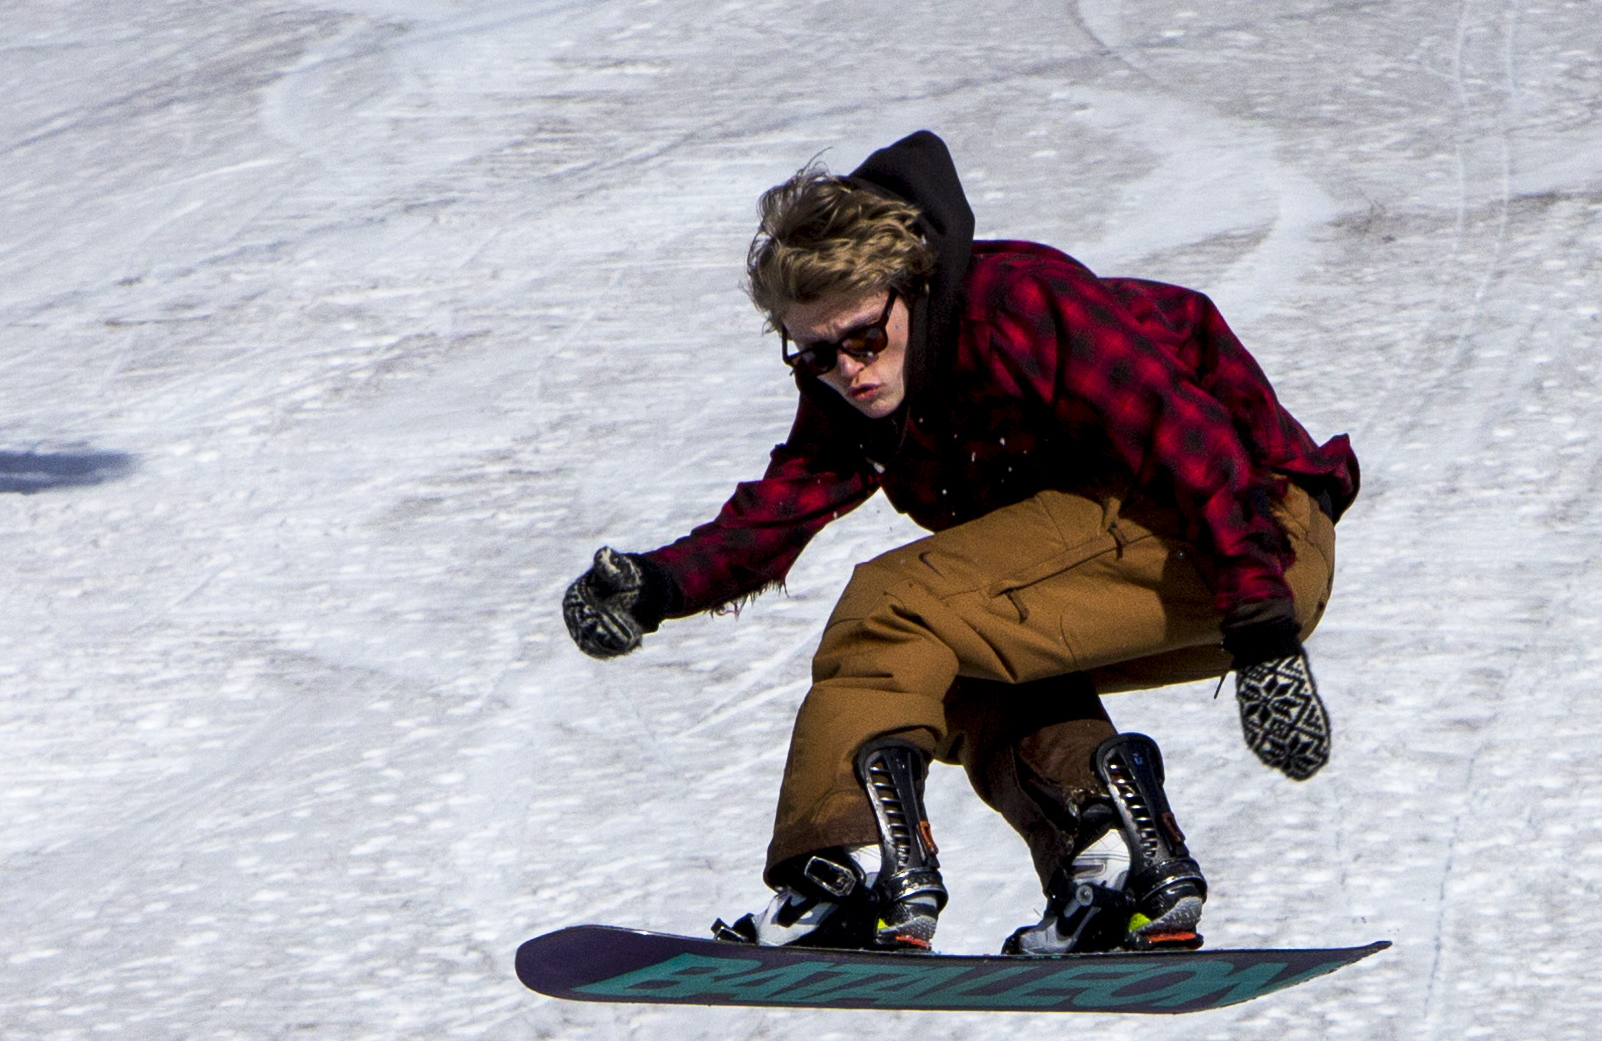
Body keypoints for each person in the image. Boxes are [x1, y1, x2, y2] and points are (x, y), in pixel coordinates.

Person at [558, 131, 1356, 956]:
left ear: (910, 288)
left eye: (865, 338)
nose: (849, 371)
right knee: (950, 661)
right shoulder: (852, 390)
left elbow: (1192, 444)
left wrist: (1263, 632)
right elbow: (782, 506)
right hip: (1191, 559)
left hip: (1244, 533)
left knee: (891, 610)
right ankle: (1111, 863)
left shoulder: (1019, 305)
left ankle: (847, 876)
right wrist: (655, 586)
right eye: (817, 354)